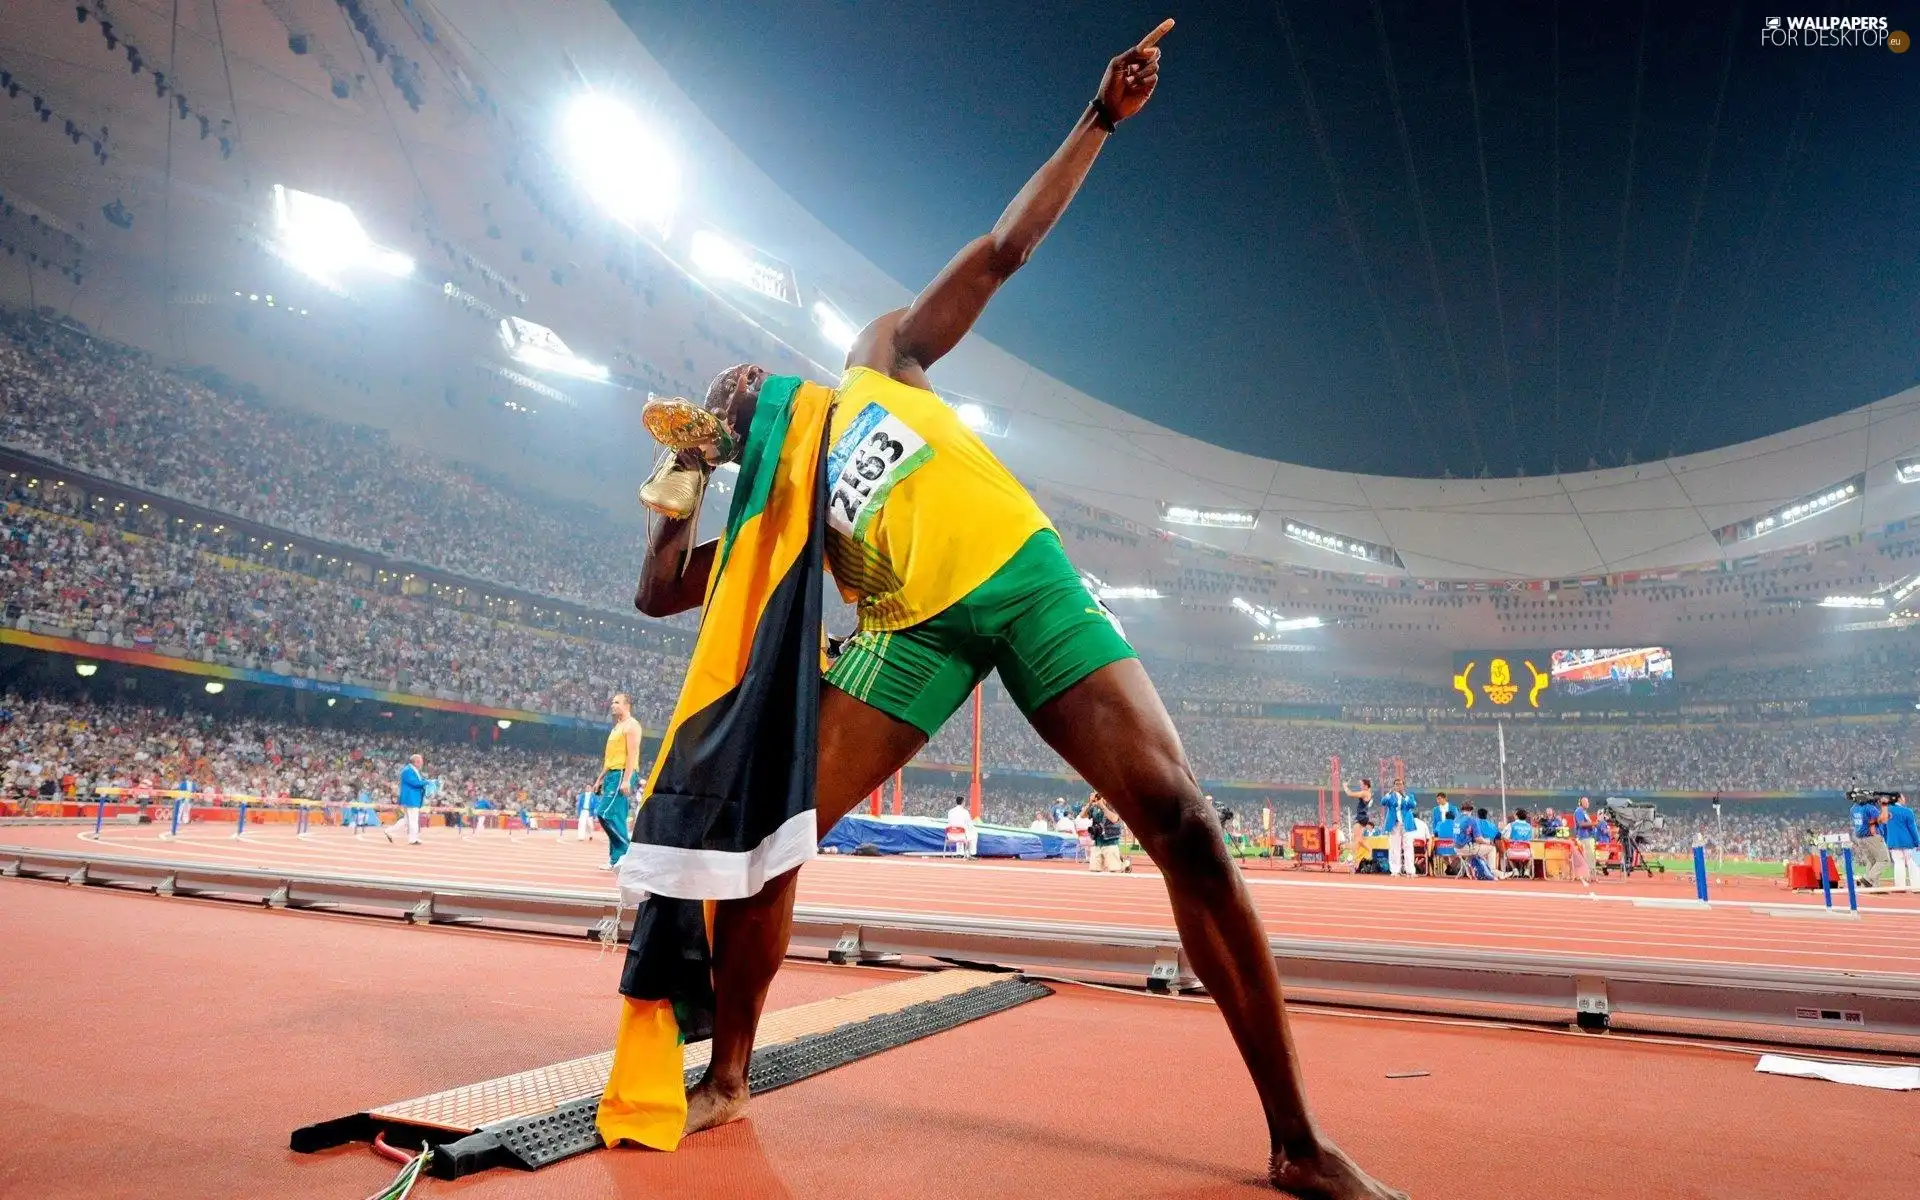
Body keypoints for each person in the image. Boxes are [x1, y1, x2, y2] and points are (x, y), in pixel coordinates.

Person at [627, 22, 1400, 1198]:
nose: (733, 385)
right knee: (772, 837)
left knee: (1186, 821)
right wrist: (681, 486)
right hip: (905, 634)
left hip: (1028, 580)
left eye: (739, 376)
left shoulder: (878, 359)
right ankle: (730, 1071)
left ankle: (1297, 1139)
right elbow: (659, 594)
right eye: (723, 404)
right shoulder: (777, 510)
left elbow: (1000, 252)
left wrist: (1097, 121)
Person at [597, 693, 643, 870]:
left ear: (627, 705)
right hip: (611, 774)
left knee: (605, 814)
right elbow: (610, 758)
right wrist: (600, 778)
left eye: (616, 702)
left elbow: (632, 754)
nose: (612, 705)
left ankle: (627, 851)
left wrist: (626, 780)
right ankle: (616, 859)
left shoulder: (632, 726)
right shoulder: (617, 727)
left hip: (622, 773)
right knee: (617, 816)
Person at [1848, 790, 1889, 888]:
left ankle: (1873, 886)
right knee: (1884, 861)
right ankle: (1867, 879)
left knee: (1872, 862)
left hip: (1861, 838)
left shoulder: (1853, 808)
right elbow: (1883, 820)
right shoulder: (1870, 808)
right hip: (1872, 837)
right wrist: (1884, 806)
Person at [1378, 786, 1417, 878]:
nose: (1398, 786)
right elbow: (1382, 802)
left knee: (1408, 847)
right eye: (1396, 784)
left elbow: (1413, 805)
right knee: (1394, 848)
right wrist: (1389, 793)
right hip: (1394, 824)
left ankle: (1410, 871)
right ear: (1394, 786)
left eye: (1400, 784)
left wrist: (1404, 796)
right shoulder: (1390, 796)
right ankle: (1395, 871)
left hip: (1406, 824)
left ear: (1403, 786)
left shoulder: (1409, 795)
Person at [1085, 792, 1127, 873]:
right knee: (1094, 870)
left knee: (1114, 870)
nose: (1097, 799)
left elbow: (1114, 819)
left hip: (1110, 841)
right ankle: (1122, 862)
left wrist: (1102, 806)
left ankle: (1125, 864)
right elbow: (1082, 815)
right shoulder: (1094, 809)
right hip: (1098, 842)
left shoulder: (1114, 806)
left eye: (1100, 797)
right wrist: (1090, 803)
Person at [1882, 794, 1918, 890]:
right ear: (1899, 799)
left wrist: (1887, 841)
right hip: (1907, 842)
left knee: (1898, 863)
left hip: (1893, 842)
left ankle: (1900, 887)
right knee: (1911, 862)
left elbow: (1883, 829)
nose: (1904, 799)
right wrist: (1917, 842)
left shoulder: (1886, 811)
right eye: (1903, 797)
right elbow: (1912, 829)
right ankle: (1916, 886)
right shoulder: (1907, 811)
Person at [1342, 776, 1375, 867]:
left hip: (1361, 817)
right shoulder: (1368, 793)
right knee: (1359, 840)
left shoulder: (1365, 793)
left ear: (1366, 785)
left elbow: (1350, 794)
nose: (1360, 786)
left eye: (1361, 784)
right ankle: (1368, 852)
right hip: (1362, 817)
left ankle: (1345, 849)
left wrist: (1345, 786)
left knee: (1356, 840)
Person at [395, 754, 427, 845]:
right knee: (413, 819)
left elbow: (417, 782)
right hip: (410, 798)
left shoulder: (413, 770)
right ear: (416, 762)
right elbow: (415, 783)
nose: (422, 763)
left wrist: (426, 782)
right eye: (420, 761)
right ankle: (413, 839)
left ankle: (389, 831)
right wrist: (427, 782)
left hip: (413, 798)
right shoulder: (408, 770)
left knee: (407, 820)